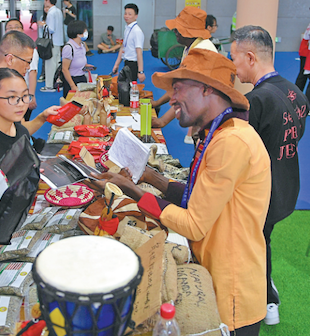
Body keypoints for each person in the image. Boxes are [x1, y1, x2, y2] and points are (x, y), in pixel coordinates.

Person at [93, 48, 271, 336]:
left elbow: (194, 224)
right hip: (216, 270)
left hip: (232, 288)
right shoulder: (221, 132)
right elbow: (195, 195)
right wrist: (150, 176)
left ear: (206, 89)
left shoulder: (231, 143)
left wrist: (134, 192)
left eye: (177, 89)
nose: (171, 99)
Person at [231, 25, 310, 326]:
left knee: (254, 245)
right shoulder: (297, 93)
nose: (233, 65)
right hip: (287, 185)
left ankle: (267, 299)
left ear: (250, 57)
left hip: (262, 194)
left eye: (234, 57)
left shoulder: (256, 102)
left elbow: (244, 154)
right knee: (263, 240)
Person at [152, 6, 218, 142]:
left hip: (208, 117)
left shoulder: (201, 52)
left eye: (178, 29)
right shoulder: (190, 47)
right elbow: (179, 84)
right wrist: (158, 102)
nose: (174, 31)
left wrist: (163, 121)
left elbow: (186, 92)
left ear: (189, 32)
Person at [5, 18, 38, 120]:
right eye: (10, 28)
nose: (13, 30)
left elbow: (32, 72)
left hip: (23, 93)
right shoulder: (4, 49)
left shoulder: (29, 50)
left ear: (23, 30)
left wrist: (31, 95)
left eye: (16, 27)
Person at [112, 3, 145, 83]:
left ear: (136, 16)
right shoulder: (127, 28)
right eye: (125, 13)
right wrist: (117, 64)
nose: (126, 16)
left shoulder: (137, 31)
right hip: (126, 62)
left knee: (130, 89)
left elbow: (139, 52)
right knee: (124, 87)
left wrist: (140, 71)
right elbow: (123, 47)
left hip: (133, 64)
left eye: (130, 14)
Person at [39, 0, 64, 92]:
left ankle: (49, 85)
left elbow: (51, 29)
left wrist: (43, 25)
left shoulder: (51, 12)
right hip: (59, 41)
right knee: (57, 64)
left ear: (47, 1)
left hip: (52, 42)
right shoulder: (58, 11)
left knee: (50, 64)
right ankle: (57, 83)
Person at [61, 20, 93, 97]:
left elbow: (80, 61)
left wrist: (86, 66)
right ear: (78, 33)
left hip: (82, 78)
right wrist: (73, 86)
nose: (86, 33)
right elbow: (64, 69)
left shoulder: (82, 45)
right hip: (72, 80)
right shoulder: (68, 48)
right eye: (85, 31)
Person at [294, 15, 310, 96]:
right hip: (307, 52)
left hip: (305, 50)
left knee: (302, 75)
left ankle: (296, 96)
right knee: (303, 75)